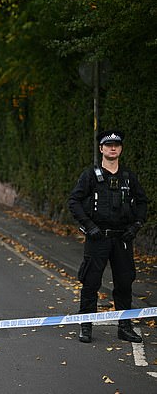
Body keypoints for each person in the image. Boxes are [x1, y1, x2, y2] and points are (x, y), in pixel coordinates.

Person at [68, 130, 147, 344]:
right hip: (97, 239)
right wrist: (89, 226)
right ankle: (86, 326)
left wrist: (136, 225)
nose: (113, 148)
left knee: (124, 283)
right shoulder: (90, 176)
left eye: (117, 145)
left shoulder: (129, 177)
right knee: (91, 282)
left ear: (121, 149)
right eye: (108, 145)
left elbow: (142, 203)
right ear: (101, 149)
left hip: (122, 239)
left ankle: (125, 327)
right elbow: (74, 202)